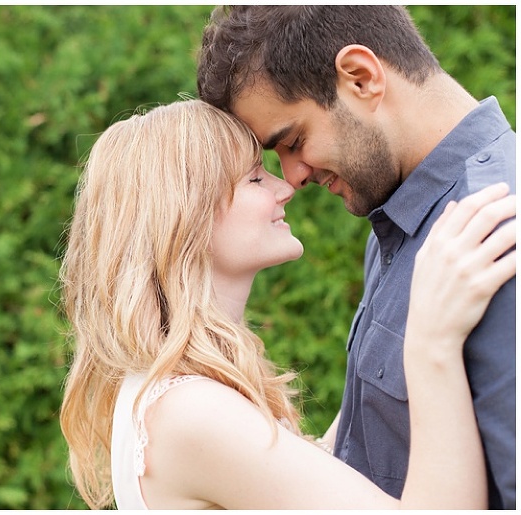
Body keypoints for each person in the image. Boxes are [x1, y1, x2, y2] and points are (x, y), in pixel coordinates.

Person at [57, 99, 516, 509]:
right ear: (185, 216)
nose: (286, 188)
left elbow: (315, 478)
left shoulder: (173, 392)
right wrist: (431, 345)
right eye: (256, 177)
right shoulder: (191, 413)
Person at [196, 5, 516, 509]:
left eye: (293, 141)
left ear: (361, 78)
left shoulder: (496, 232)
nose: (293, 177)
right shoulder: (396, 226)